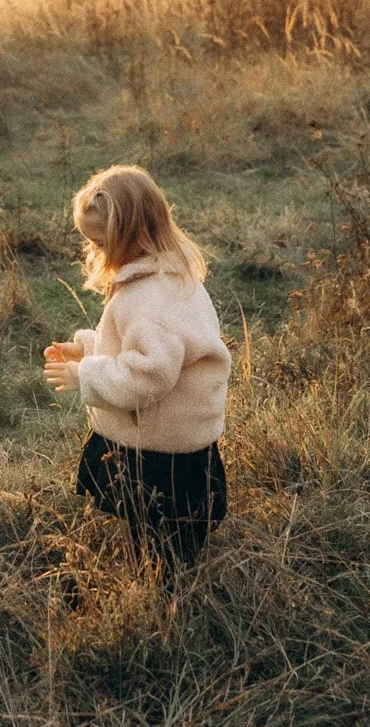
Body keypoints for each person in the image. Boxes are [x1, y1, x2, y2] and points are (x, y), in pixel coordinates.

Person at [42, 165, 230, 565]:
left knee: (166, 543)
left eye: (99, 243)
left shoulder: (150, 300)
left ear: (130, 237)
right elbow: (145, 353)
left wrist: (85, 375)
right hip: (176, 438)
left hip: (160, 452)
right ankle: (156, 578)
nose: (94, 253)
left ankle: (166, 606)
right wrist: (89, 350)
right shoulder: (171, 279)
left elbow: (149, 375)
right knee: (160, 534)